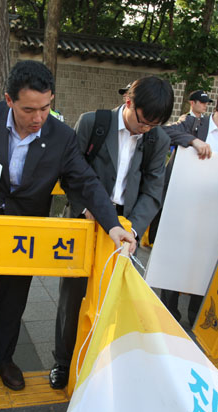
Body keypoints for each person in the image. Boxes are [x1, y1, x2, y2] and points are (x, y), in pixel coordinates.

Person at [0, 60, 136, 398]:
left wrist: (112, 224)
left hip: (26, 230)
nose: (38, 117)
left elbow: (85, 181)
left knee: (13, 298)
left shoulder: (61, 137)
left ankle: (2, 358)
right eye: (29, 109)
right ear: (9, 100)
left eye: (46, 107)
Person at [50, 76, 173, 389]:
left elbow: (153, 190)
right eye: (143, 121)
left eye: (153, 125)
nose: (145, 129)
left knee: (114, 298)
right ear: (129, 102)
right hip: (86, 220)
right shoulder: (94, 123)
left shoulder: (156, 138)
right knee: (73, 296)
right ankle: (63, 362)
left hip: (127, 226)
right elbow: (68, 173)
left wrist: (132, 228)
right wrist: (84, 207)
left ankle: (100, 360)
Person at [159, 84, 218, 325]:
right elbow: (163, 132)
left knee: (206, 264)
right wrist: (192, 141)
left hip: (217, 213)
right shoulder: (194, 124)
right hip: (183, 208)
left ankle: (198, 316)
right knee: (175, 262)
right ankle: (167, 314)